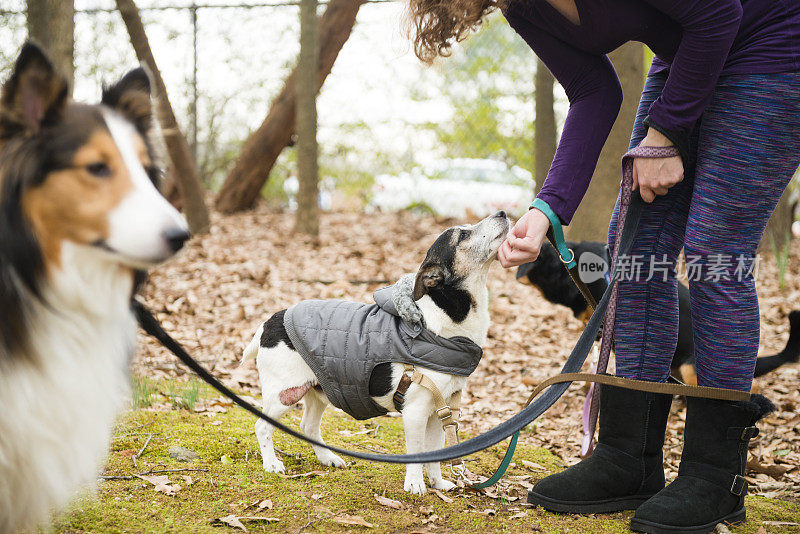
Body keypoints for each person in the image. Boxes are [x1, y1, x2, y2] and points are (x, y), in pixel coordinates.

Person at [407, 0, 800, 532]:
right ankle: (629, 459)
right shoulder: (520, 6)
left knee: (715, 250)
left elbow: (718, 13)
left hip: (769, 47)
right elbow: (595, 91)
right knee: (634, 251)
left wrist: (664, 135)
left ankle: (715, 476)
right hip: (685, 55)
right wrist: (547, 209)